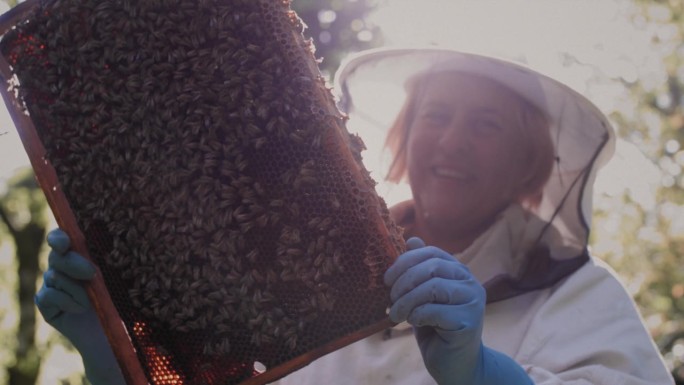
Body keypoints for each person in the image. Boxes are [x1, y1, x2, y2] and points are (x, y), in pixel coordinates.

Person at [35, 47, 675, 385]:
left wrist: (484, 376)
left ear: (530, 165)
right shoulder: (301, 267)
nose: (451, 143)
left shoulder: (579, 294)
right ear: (403, 134)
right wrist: (115, 359)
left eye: (486, 125)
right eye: (436, 115)